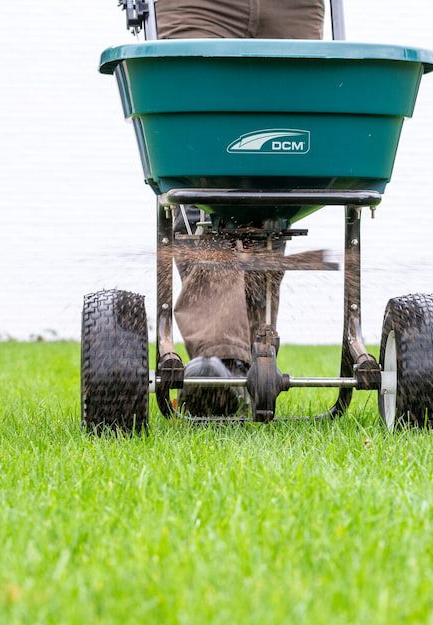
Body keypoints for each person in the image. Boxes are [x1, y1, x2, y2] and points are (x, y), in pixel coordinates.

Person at [156, 0, 325, 416]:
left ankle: (246, 355)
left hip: (292, 8)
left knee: (277, 168)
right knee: (201, 169)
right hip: (200, 7)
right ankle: (220, 360)